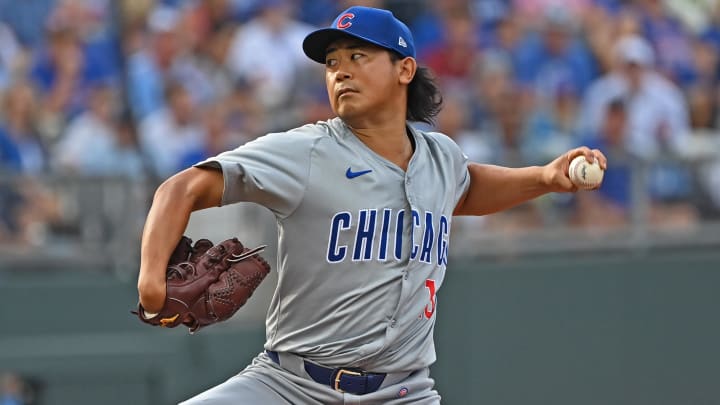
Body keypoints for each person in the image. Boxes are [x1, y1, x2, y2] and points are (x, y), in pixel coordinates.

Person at [136, 6, 606, 404]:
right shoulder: (307, 152)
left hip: (405, 392)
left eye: (358, 56)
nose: (340, 70)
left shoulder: (440, 157)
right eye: (331, 62)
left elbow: (467, 187)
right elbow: (180, 189)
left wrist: (544, 178)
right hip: (289, 385)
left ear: (404, 69)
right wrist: (151, 281)